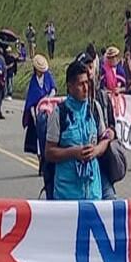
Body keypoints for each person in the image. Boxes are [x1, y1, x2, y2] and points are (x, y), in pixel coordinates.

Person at [43, 57, 115, 201]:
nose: (86, 88)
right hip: (67, 196)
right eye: (81, 84)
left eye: (87, 83)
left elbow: (105, 138)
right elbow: (49, 153)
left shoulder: (94, 108)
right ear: (70, 87)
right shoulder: (59, 113)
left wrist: (95, 151)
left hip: (94, 193)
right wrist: (73, 153)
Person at [21, 53, 56, 156]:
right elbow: (31, 99)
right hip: (36, 111)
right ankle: (40, 156)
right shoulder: (33, 80)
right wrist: (33, 115)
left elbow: (53, 89)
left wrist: (47, 99)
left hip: (48, 108)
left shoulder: (48, 76)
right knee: (37, 135)